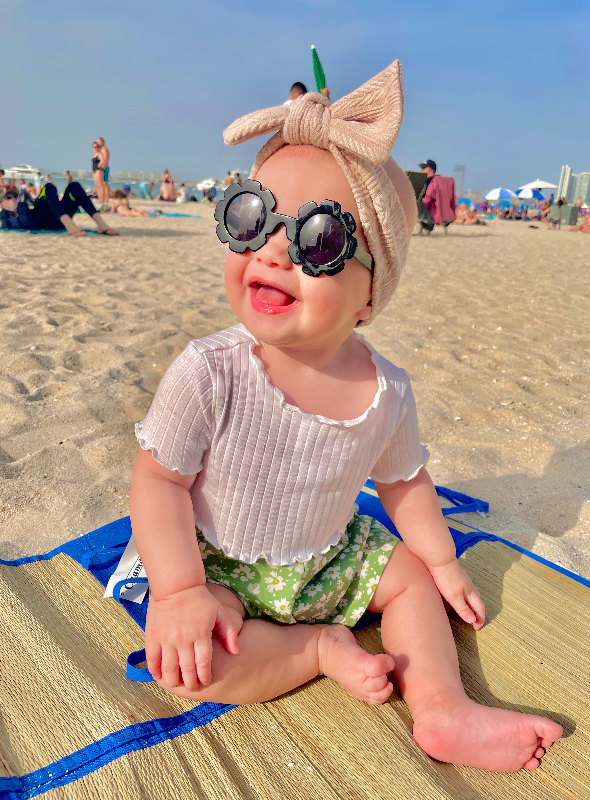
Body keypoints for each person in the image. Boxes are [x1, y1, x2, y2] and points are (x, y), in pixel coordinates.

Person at [129, 62, 562, 773]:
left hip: (330, 557)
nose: (273, 250)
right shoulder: (209, 370)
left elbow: (404, 483)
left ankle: (442, 707)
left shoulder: (386, 390)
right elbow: (159, 482)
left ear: (370, 294)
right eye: (252, 216)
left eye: (320, 240)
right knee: (193, 664)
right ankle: (316, 650)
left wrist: (441, 561)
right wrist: (178, 591)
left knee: (411, 582)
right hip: (214, 565)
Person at [0, 183, 118, 235]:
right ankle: (70, 226)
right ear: (2, 204)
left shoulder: (21, 206)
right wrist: (13, 210)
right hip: (43, 221)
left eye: (15, 197)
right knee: (48, 187)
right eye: (9, 197)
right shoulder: (4, 217)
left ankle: (101, 225)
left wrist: (19, 207)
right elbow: (29, 224)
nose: (14, 199)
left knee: (74, 186)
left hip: (58, 219)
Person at [419, 159, 456, 234]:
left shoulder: (430, 181)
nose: (420, 170)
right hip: (447, 214)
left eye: (423, 168)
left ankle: (426, 225)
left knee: (416, 203)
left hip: (432, 213)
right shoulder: (442, 181)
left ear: (429, 170)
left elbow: (428, 197)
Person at [97, 137, 110, 203]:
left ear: (102, 142)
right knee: (104, 183)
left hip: (105, 168)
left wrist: (101, 166)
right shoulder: (102, 149)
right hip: (104, 167)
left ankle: (106, 199)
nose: (98, 143)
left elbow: (105, 160)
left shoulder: (104, 149)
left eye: (99, 142)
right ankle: (104, 198)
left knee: (105, 184)